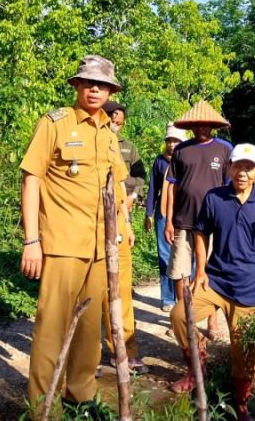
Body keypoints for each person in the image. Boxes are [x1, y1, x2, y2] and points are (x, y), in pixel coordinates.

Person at [20, 55, 127, 418]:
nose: (95, 89)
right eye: (88, 83)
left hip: (100, 248)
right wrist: (31, 241)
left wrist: (123, 232)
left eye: (102, 85)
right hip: (63, 245)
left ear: (111, 90)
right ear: (77, 86)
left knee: (89, 332)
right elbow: (31, 178)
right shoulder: (55, 124)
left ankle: (80, 396)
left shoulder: (109, 133)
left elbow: (119, 186)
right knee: (52, 330)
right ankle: (42, 408)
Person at [169, 144, 255, 421]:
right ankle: (197, 368)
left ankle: (241, 401)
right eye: (237, 166)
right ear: (229, 168)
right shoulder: (215, 198)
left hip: (250, 288)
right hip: (216, 282)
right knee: (178, 316)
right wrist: (200, 271)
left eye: (249, 167)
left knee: (243, 351)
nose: (242, 173)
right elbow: (200, 233)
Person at [164, 100, 232, 341]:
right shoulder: (181, 150)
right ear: (191, 126)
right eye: (198, 125)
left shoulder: (225, 150)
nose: (202, 129)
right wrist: (169, 220)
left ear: (213, 126)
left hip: (213, 223)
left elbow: (229, 187)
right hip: (183, 220)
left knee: (209, 272)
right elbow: (172, 187)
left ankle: (213, 321)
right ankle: (185, 319)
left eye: (206, 125)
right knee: (180, 271)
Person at [100, 100, 148, 374]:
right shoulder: (80, 137)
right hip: (88, 227)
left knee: (121, 294)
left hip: (118, 221)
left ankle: (126, 352)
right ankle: (86, 357)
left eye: (117, 121)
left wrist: (127, 221)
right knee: (91, 295)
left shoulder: (124, 147)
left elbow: (124, 182)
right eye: (110, 119)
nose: (113, 125)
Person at [145, 123, 188, 311]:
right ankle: (168, 298)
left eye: (176, 140)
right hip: (163, 213)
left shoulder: (187, 160)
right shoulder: (160, 162)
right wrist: (149, 213)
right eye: (169, 140)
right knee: (165, 257)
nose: (172, 144)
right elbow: (153, 189)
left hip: (185, 213)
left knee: (186, 257)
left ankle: (186, 298)